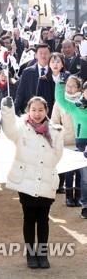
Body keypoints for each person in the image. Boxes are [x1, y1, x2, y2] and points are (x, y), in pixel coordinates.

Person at [1, 96, 64, 269]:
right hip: (25, 181)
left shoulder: (57, 130)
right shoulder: (21, 128)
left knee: (43, 219)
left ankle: (42, 254)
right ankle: (31, 255)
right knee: (29, 218)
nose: (37, 114)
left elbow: (57, 155)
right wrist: (7, 110)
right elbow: (8, 130)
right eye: (33, 110)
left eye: (40, 110)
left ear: (47, 111)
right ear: (28, 110)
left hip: (46, 180)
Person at [55, 78, 87, 218]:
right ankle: (85, 205)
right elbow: (61, 101)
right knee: (85, 177)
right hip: (82, 142)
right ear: (83, 92)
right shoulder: (76, 105)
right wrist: (59, 83)